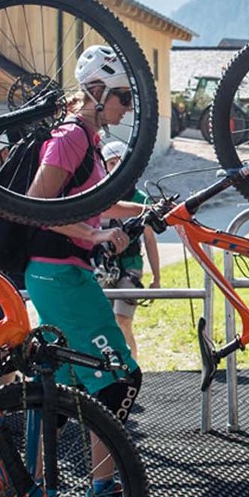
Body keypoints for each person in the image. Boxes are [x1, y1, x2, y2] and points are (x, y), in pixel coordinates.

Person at [21, 45, 146, 497]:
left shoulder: (88, 141)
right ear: (95, 91)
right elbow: (37, 205)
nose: (128, 108)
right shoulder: (71, 137)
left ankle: (31, 491)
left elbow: (98, 204)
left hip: (65, 273)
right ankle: (102, 492)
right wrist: (94, 236)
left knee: (64, 389)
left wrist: (151, 212)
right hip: (58, 273)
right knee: (120, 377)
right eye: (123, 97)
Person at [96, 139, 162, 358]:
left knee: (122, 320)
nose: (115, 167)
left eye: (119, 162)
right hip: (102, 267)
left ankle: (132, 366)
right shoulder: (95, 197)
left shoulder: (140, 200)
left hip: (130, 265)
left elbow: (150, 240)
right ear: (104, 165)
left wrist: (156, 278)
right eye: (111, 163)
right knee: (103, 322)